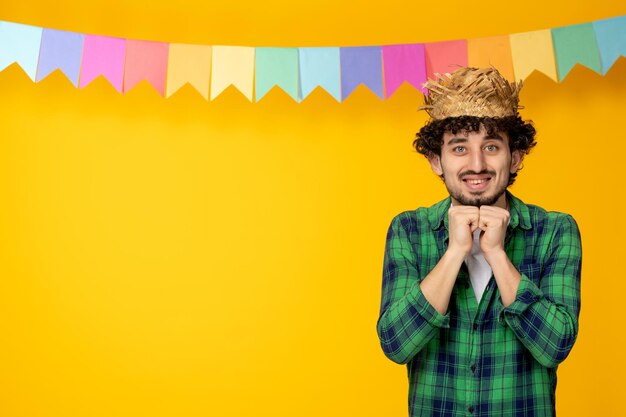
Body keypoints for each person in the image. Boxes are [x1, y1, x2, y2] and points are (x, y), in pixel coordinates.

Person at [376, 67, 582, 417]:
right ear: (435, 161)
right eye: (459, 148)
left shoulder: (555, 231)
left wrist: (497, 255)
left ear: (514, 157)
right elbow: (396, 344)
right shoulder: (409, 231)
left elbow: (555, 346)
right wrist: (455, 252)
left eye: (491, 146)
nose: (477, 164)